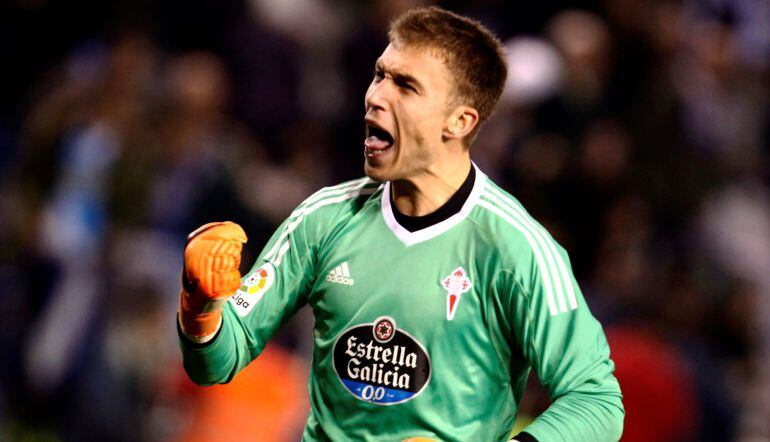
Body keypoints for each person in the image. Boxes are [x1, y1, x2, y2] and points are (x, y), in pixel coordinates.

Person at [177, 7, 624, 442]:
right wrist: (199, 307)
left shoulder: (516, 248)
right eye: (379, 75)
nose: (376, 96)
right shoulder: (324, 219)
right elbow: (218, 361)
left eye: (406, 86)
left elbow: (597, 401)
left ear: (460, 120)